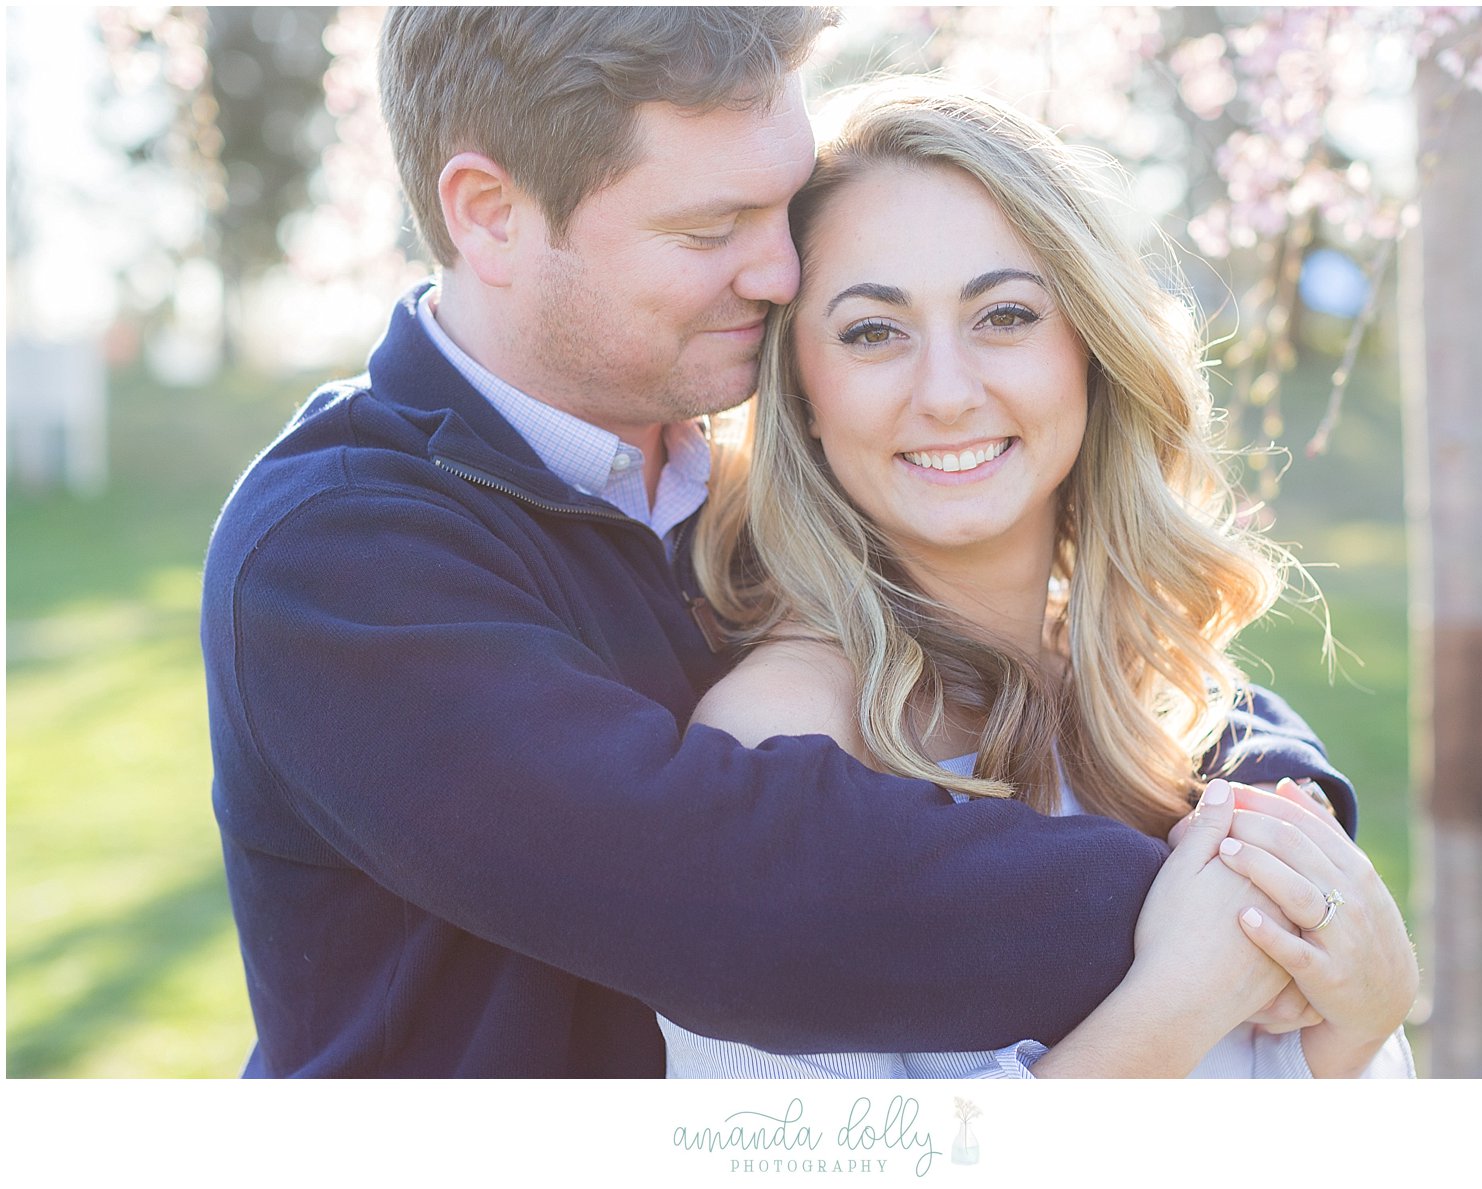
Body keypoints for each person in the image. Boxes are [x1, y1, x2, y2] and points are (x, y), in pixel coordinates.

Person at [201, 7, 1358, 1078]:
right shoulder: (337, 556)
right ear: (490, 214)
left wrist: (1280, 806)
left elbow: (1051, 640)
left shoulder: (746, 480)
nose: (780, 269)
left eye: (782, 203)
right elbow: (722, 892)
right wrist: (1223, 903)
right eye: (712, 227)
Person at [664, 80, 1418, 1077]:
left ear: (1091, 350)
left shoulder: (1181, 712)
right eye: (872, 331)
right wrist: (1176, 1005)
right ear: (800, 391)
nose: (945, 392)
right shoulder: (775, 758)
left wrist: (1359, 1032)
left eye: (1005, 315)